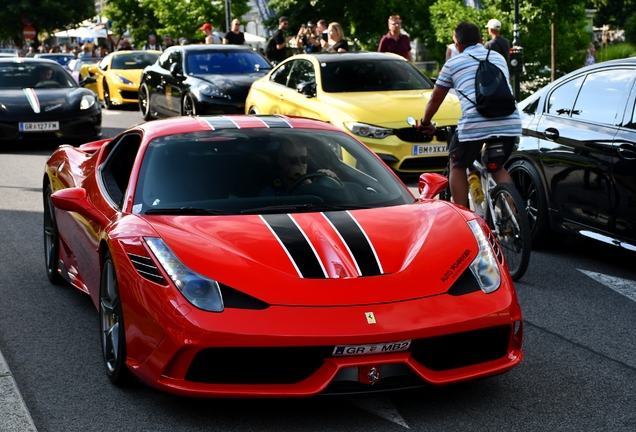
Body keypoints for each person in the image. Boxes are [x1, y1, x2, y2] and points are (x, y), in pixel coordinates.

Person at [418, 22, 521, 209]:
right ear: (481, 40)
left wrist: (425, 122)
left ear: (457, 44)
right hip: (510, 122)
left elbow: (435, 99)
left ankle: (464, 217)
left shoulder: (453, 64)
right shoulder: (498, 57)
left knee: (457, 164)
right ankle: (513, 216)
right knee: (496, 166)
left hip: (474, 125)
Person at [260, 138, 338, 196]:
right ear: (281, 162)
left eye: (304, 159)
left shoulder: (314, 181)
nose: (300, 164)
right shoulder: (272, 190)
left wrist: (328, 181)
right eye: (293, 160)